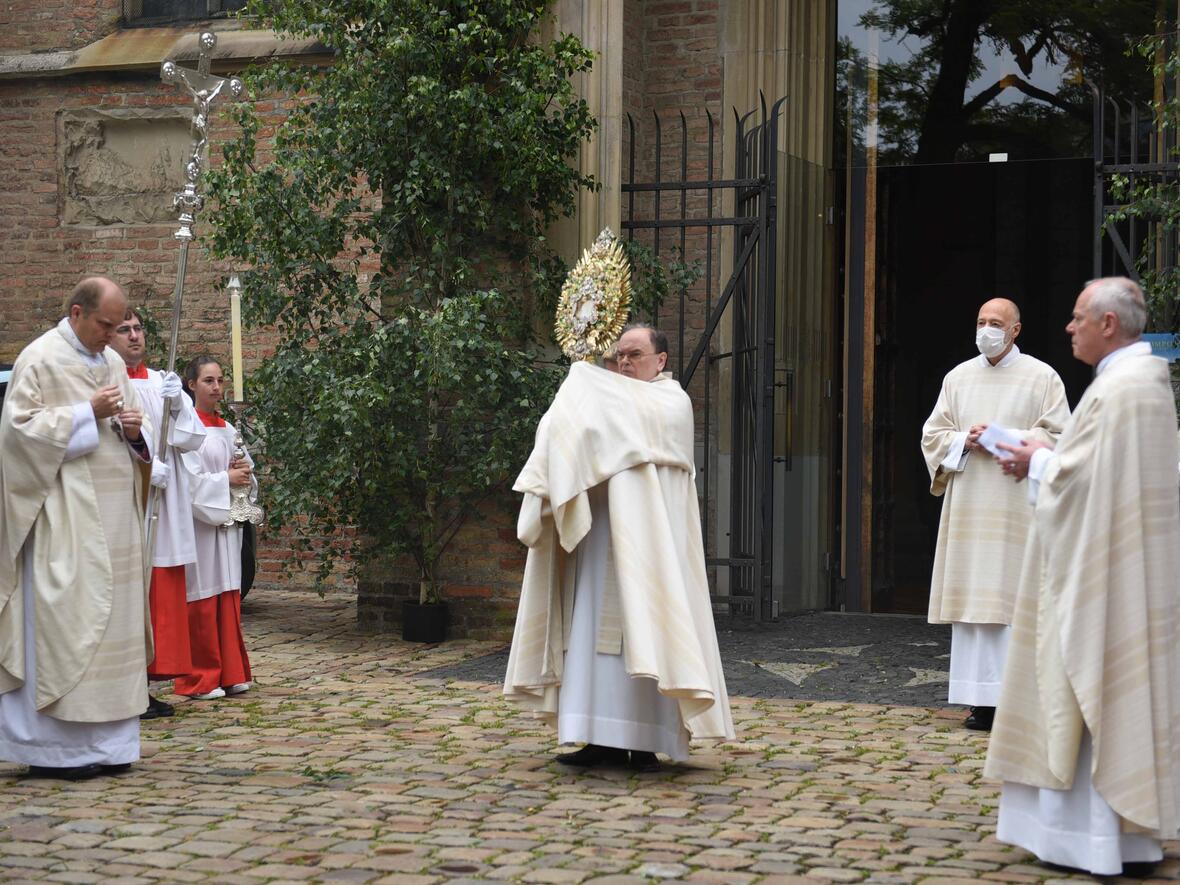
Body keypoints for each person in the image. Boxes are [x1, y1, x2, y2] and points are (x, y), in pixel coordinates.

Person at [985, 277, 1180, 875]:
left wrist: (1034, 458)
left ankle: (1088, 838)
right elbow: (1096, 470)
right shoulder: (1140, 383)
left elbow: (1082, 480)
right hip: (1124, 571)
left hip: (1104, 579)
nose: (1068, 327)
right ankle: (1112, 837)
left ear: (1108, 325)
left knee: (1087, 683)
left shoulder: (1123, 390)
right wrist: (1049, 458)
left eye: (1076, 318)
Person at [504, 324, 734, 772]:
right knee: (589, 632)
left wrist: (585, 381)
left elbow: (614, 418)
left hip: (649, 550)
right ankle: (595, 736)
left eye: (635, 354)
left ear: (661, 361)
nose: (625, 363)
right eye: (618, 357)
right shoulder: (605, 401)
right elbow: (560, 430)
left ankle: (645, 741)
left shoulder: (672, 403)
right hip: (598, 536)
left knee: (647, 631)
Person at [0, 277, 154, 780]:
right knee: (69, 619)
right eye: (105, 325)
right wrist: (85, 413)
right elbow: (18, 434)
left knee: (115, 625)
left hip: (115, 516)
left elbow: (132, 432)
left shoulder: (112, 362)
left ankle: (110, 747)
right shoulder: (39, 359)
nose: (113, 336)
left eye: (118, 325)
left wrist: (134, 432)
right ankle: (57, 750)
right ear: (77, 312)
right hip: (64, 513)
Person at [920, 298, 1069, 731]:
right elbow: (934, 434)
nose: (987, 329)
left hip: (1016, 505)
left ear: (1015, 330)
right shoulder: (958, 377)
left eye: (996, 323)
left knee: (1015, 602)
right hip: (970, 503)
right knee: (975, 603)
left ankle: (1020, 701)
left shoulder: (1042, 377)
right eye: (982, 321)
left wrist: (1004, 438)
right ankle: (979, 701)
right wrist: (965, 439)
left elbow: (1060, 435)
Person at [109, 308, 207, 718]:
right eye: (124, 330)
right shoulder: (105, 382)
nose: (134, 336)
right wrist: (147, 463)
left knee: (159, 596)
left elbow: (192, 439)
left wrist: (180, 406)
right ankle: (124, 688)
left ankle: (145, 686)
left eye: (138, 329)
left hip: (164, 511)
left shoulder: (160, 382)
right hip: (129, 504)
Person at [173, 356, 254, 701]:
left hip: (226, 526)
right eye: (208, 380)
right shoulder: (186, 429)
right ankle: (199, 677)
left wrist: (242, 478)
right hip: (201, 529)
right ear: (191, 385)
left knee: (228, 594)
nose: (217, 387)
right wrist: (226, 480)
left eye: (220, 380)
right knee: (203, 596)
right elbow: (188, 484)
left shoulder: (229, 429)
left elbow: (248, 475)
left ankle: (231, 671)